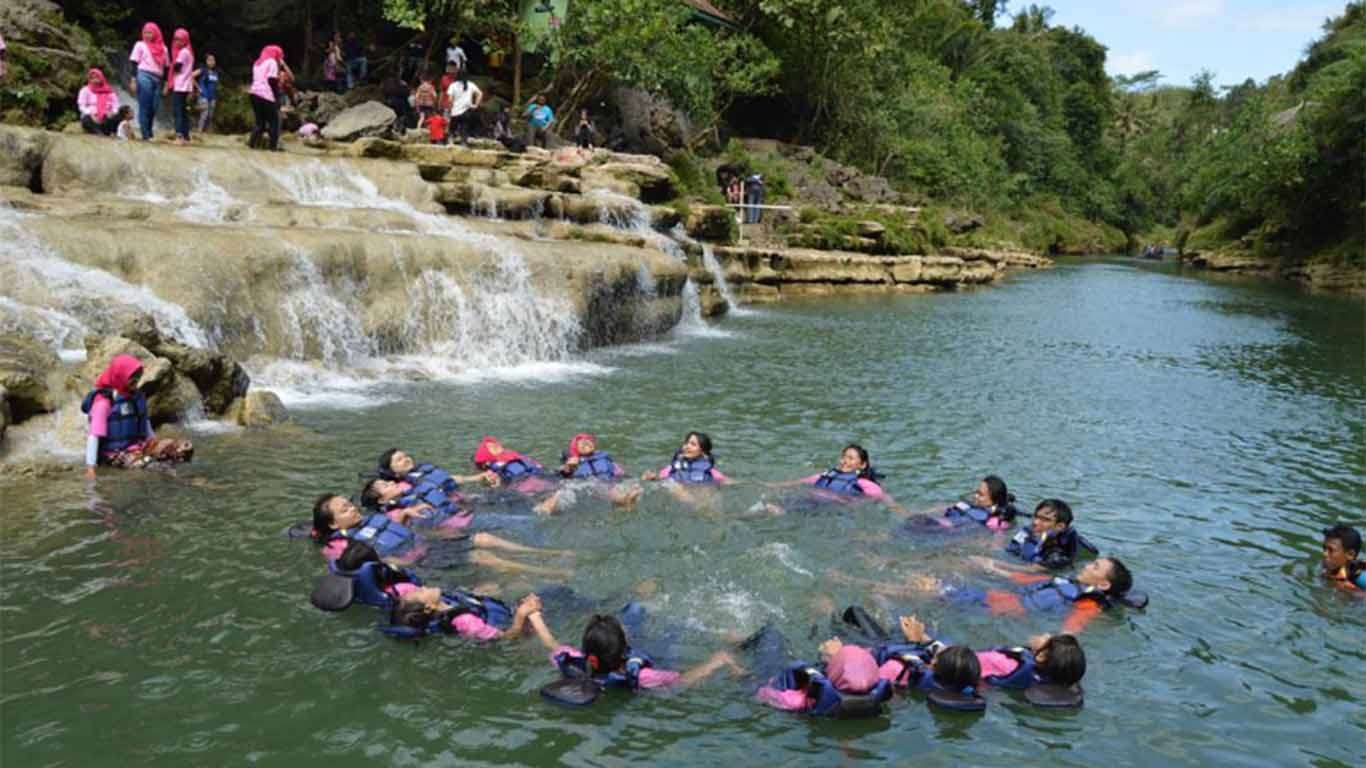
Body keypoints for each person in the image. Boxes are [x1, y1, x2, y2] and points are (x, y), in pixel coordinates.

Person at [310, 493, 567, 575]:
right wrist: (397, 563)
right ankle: (548, 571)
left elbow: (398, 519)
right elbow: (354, 565)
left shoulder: (371, 519)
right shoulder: (336, 545)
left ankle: (548, 553)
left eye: (350, 504)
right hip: (416, 560)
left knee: (484, 538)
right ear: (333, 524)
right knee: (485, 557)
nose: (352, 508)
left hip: (428, 545)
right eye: (344, 509)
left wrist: (412, 511)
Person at [534, 612, 740, 692]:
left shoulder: (572, 662)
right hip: (652, 656)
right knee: (672, 630)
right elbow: (681, 680)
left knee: (635, 614)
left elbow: (552, 644)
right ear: (624, 650)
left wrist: (534, 616)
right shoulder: (643, 676)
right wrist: (717, 661)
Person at [890, 615, 1086, 694]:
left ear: (1042, 656)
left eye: (1048, 638)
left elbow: (954, 660)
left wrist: (920, 638)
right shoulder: (1037, 675)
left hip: (939, 669)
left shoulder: (1004, 662)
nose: (1045, 634)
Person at [81, 354, 193, 479]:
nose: (137, 382)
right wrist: (90, 467)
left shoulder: (136, 397)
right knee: (151, 465)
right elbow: (94, 437)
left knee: (181, 449)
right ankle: (178, 478)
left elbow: (145, 423)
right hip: (114, 454)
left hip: (138, 446)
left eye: (138, 378)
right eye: (132, 379)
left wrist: (155, 444)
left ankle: (176, 474)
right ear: (120, 378)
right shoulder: (103, 403)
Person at [756, 639, 894, 716]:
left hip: (769, 674)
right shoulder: (879, 698)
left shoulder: (800, 700)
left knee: (771, 636)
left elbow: (762, 693)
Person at [533, 433, 642, 515]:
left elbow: (620, 473)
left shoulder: (604, 459)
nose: (587, 442)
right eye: (582, 442)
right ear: (575, 448)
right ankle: (547, 507)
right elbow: (560, 475)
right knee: (562, 493)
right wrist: (569, 467)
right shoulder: (572, 461)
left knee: (629, 485)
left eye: (589, 441)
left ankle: (623, 503)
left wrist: (640, 479)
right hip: (583, 485)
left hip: (605, 483)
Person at [389, 586, 543, 642]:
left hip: (507, 609)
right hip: (523, 625)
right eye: (420, 592)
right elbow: (506, 637)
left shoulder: (444, 601)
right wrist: (522, 614)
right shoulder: (464, 621)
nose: (422, 587)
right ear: (429, 607)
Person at [1004, 498, 1095, 570]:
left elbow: (1032, 570)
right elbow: (1011, 547)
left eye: (1045, 520)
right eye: (1036, 516)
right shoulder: (1029, 531)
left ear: (1059, 526)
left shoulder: (1058, 554)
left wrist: (993, 564)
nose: (1035, 522)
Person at [917, 474, 1018, 532]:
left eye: (981, 495)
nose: (975, 496)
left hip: (937, 531)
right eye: (976, 492)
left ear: (994, 501)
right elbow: (943, 508)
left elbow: (996, 543)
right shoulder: (968, 505)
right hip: (930, 523)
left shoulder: (993, 521)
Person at [128, 22, 169, 140]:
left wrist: (166, 84)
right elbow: (134, 63)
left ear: (155, 33)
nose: (147, 35)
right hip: (143, 75)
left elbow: (166, 67)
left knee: (154, 107)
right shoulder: (140, 45)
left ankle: (149, 131)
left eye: (149, 33)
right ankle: (146, 134)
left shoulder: (163, 49)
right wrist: (133, 80)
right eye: (145, 32)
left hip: (158, 79)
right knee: (145, 105)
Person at [641, 431, 730, 485]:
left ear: (703, 452)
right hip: (679, 493)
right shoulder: (671, 468)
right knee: (672, 485)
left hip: (701, 494)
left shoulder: (711, 472)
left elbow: (727, 482)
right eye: (686, 443)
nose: (687, 446)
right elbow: (660, 478)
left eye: (693, 444)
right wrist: (651, 477)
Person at [471, 436, 554, 494]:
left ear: (485, 463)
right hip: (545, 477)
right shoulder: (512, 455)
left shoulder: (493, 470)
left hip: (526, 486)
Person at [248, 45, 284, 151]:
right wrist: (277, 98)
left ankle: (251, 145)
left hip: (254, 94)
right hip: (266, 95)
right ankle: (273, 149)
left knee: (260, 123)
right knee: (274, 123)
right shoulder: (272, 62)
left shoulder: (257, 63)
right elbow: (272, 80)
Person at [166, 28, 194, 144]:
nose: (177, 42)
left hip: (180, 85)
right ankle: (186, 136)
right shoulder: (189, 52)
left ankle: (179, 136)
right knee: (183, 111)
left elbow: (177, 66)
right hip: (186, 85)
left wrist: (172, 73)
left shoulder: (183, 52)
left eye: (180, 40)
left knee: (178, 111)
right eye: (176, 39)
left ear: (185, 40)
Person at [77, 68, 121, 136]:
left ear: (101, 77)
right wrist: (91, 114)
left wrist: (113, 112)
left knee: (116, 118)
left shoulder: (109, 91)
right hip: (91, 115)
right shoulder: (85, 90)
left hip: (106, 114)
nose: (95, 80)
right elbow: (81, 106)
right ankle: (98, 132)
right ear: (89, 79)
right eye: (92, 78)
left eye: (97, 77)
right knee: (86, 119)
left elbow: (116, 105)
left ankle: (107, 132)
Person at [1321, 524, 1364, 590]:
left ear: (1350, 554)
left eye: (1331, 550)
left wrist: (1353, 593)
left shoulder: (1361, 579)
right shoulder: (1331, 569)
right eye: (1324, 548)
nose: (1324, 554)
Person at [445, 73, 482, 143]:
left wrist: (450, 109)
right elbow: (480, 93)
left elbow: (450, 100)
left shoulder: (453, 85)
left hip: (455, 110)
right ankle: (463, 143)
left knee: (453, 128)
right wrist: (476, 105)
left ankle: (450, 142)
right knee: (465, 127)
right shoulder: (471, 84)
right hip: (467, 110)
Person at [192, 53, 219, 133]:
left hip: (213, 96)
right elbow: (191, 76)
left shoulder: (215, 72)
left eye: (213, 60)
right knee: (204, 114)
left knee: (210, 115)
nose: (212, 62)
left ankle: (207, 132)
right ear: (206, 61)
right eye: (210, 60)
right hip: (203, 95)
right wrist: (198, 88)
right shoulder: (202, 70)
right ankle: (199, 132)